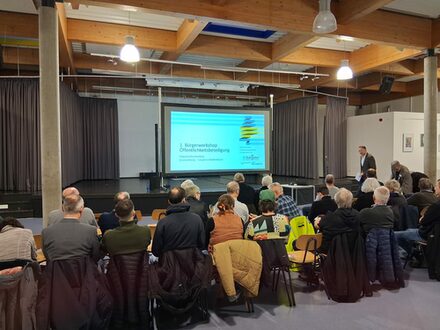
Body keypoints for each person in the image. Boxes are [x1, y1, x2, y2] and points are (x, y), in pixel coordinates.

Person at [42, 194, 100, 261]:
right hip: (84, 270)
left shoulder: (46, 232)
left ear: (63, 208)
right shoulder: (91, 231)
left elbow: (47, 255)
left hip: (56, 270)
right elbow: (96, 256)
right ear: (81, 209)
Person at [152, 187, 205, 258]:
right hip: (193, 265)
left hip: (168, 267)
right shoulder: (197, 219)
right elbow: (202, 245)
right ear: (184, 200)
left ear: (169, 202)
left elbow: (156, 251)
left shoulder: (162, 223)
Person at [314, 188, 360, 254]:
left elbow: (318, 225)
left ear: (336, 201)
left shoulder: (329, 218)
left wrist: (317, 221)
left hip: (331, 253)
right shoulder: (359, 216)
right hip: (354, 253)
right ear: (351, 200)